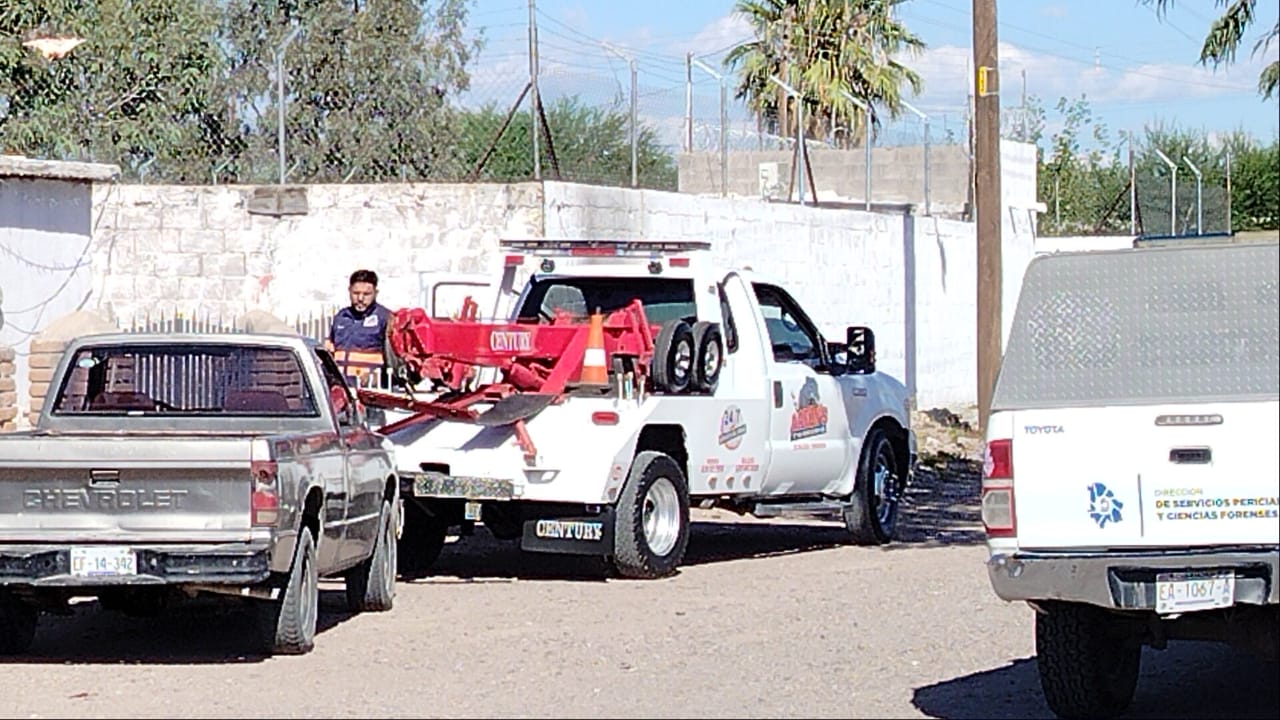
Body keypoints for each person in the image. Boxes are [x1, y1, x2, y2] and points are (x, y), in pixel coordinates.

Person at [326, 269, 392, 387]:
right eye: (356, 293)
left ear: (375, 293)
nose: (360, 298)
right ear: (349, 291)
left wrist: (377, 377)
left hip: (372, 390)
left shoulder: (385, 318)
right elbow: (329, 352)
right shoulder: (341, 317)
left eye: (366, 294)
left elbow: (394, 361)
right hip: (343, 387)